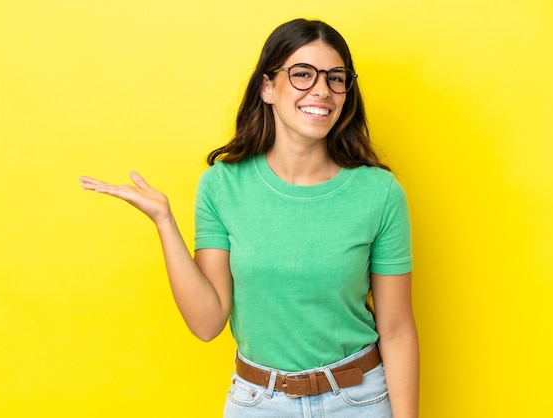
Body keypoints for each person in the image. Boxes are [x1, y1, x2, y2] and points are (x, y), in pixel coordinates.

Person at [79, 18, 419, 418]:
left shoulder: (379, 193)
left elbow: (396, 330)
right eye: (302, 75)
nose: (322, 91)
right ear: (267, 87)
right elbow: (207, 323)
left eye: (336, 78)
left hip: (359, 401)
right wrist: (164, 222)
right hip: (259, 404)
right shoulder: (223, 186)